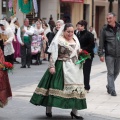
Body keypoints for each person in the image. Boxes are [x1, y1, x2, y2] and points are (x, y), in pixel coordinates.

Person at [30, 23, 87, 119]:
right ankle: (49, 108)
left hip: (75, 68)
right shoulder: (59, 41)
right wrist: (52, 66)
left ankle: (75, 111)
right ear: (63, 31)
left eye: (72, 32)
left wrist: (82, 56)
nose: (70, 34)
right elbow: (54, 54)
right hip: (62, 65)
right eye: (68, 32)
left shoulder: (75, 39)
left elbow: (77, 52)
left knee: (76, 89)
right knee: (54, 87)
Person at [98, 12, 120, 96]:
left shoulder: (119, 28)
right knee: (110, 72)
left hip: (119, 54)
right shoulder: (104, 30)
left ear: (114, 18)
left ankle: (109, 85)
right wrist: (101, 54)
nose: (108, 20)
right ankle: (112, 90)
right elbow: (101, 43)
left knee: (117, 72)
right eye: (107, 18)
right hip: (109, 55)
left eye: (110, 18)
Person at [75, 20, 95, 93]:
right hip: (78, 54)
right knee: (77, 70)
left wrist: (83, 49)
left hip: (87, 55)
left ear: (83, 26)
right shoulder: (76, 33)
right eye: (77, 26)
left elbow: (92, 45)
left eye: (79, 26)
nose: (77, 27)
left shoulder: (89, 34)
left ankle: (87, 87)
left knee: (86, 71)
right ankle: (78, 85)